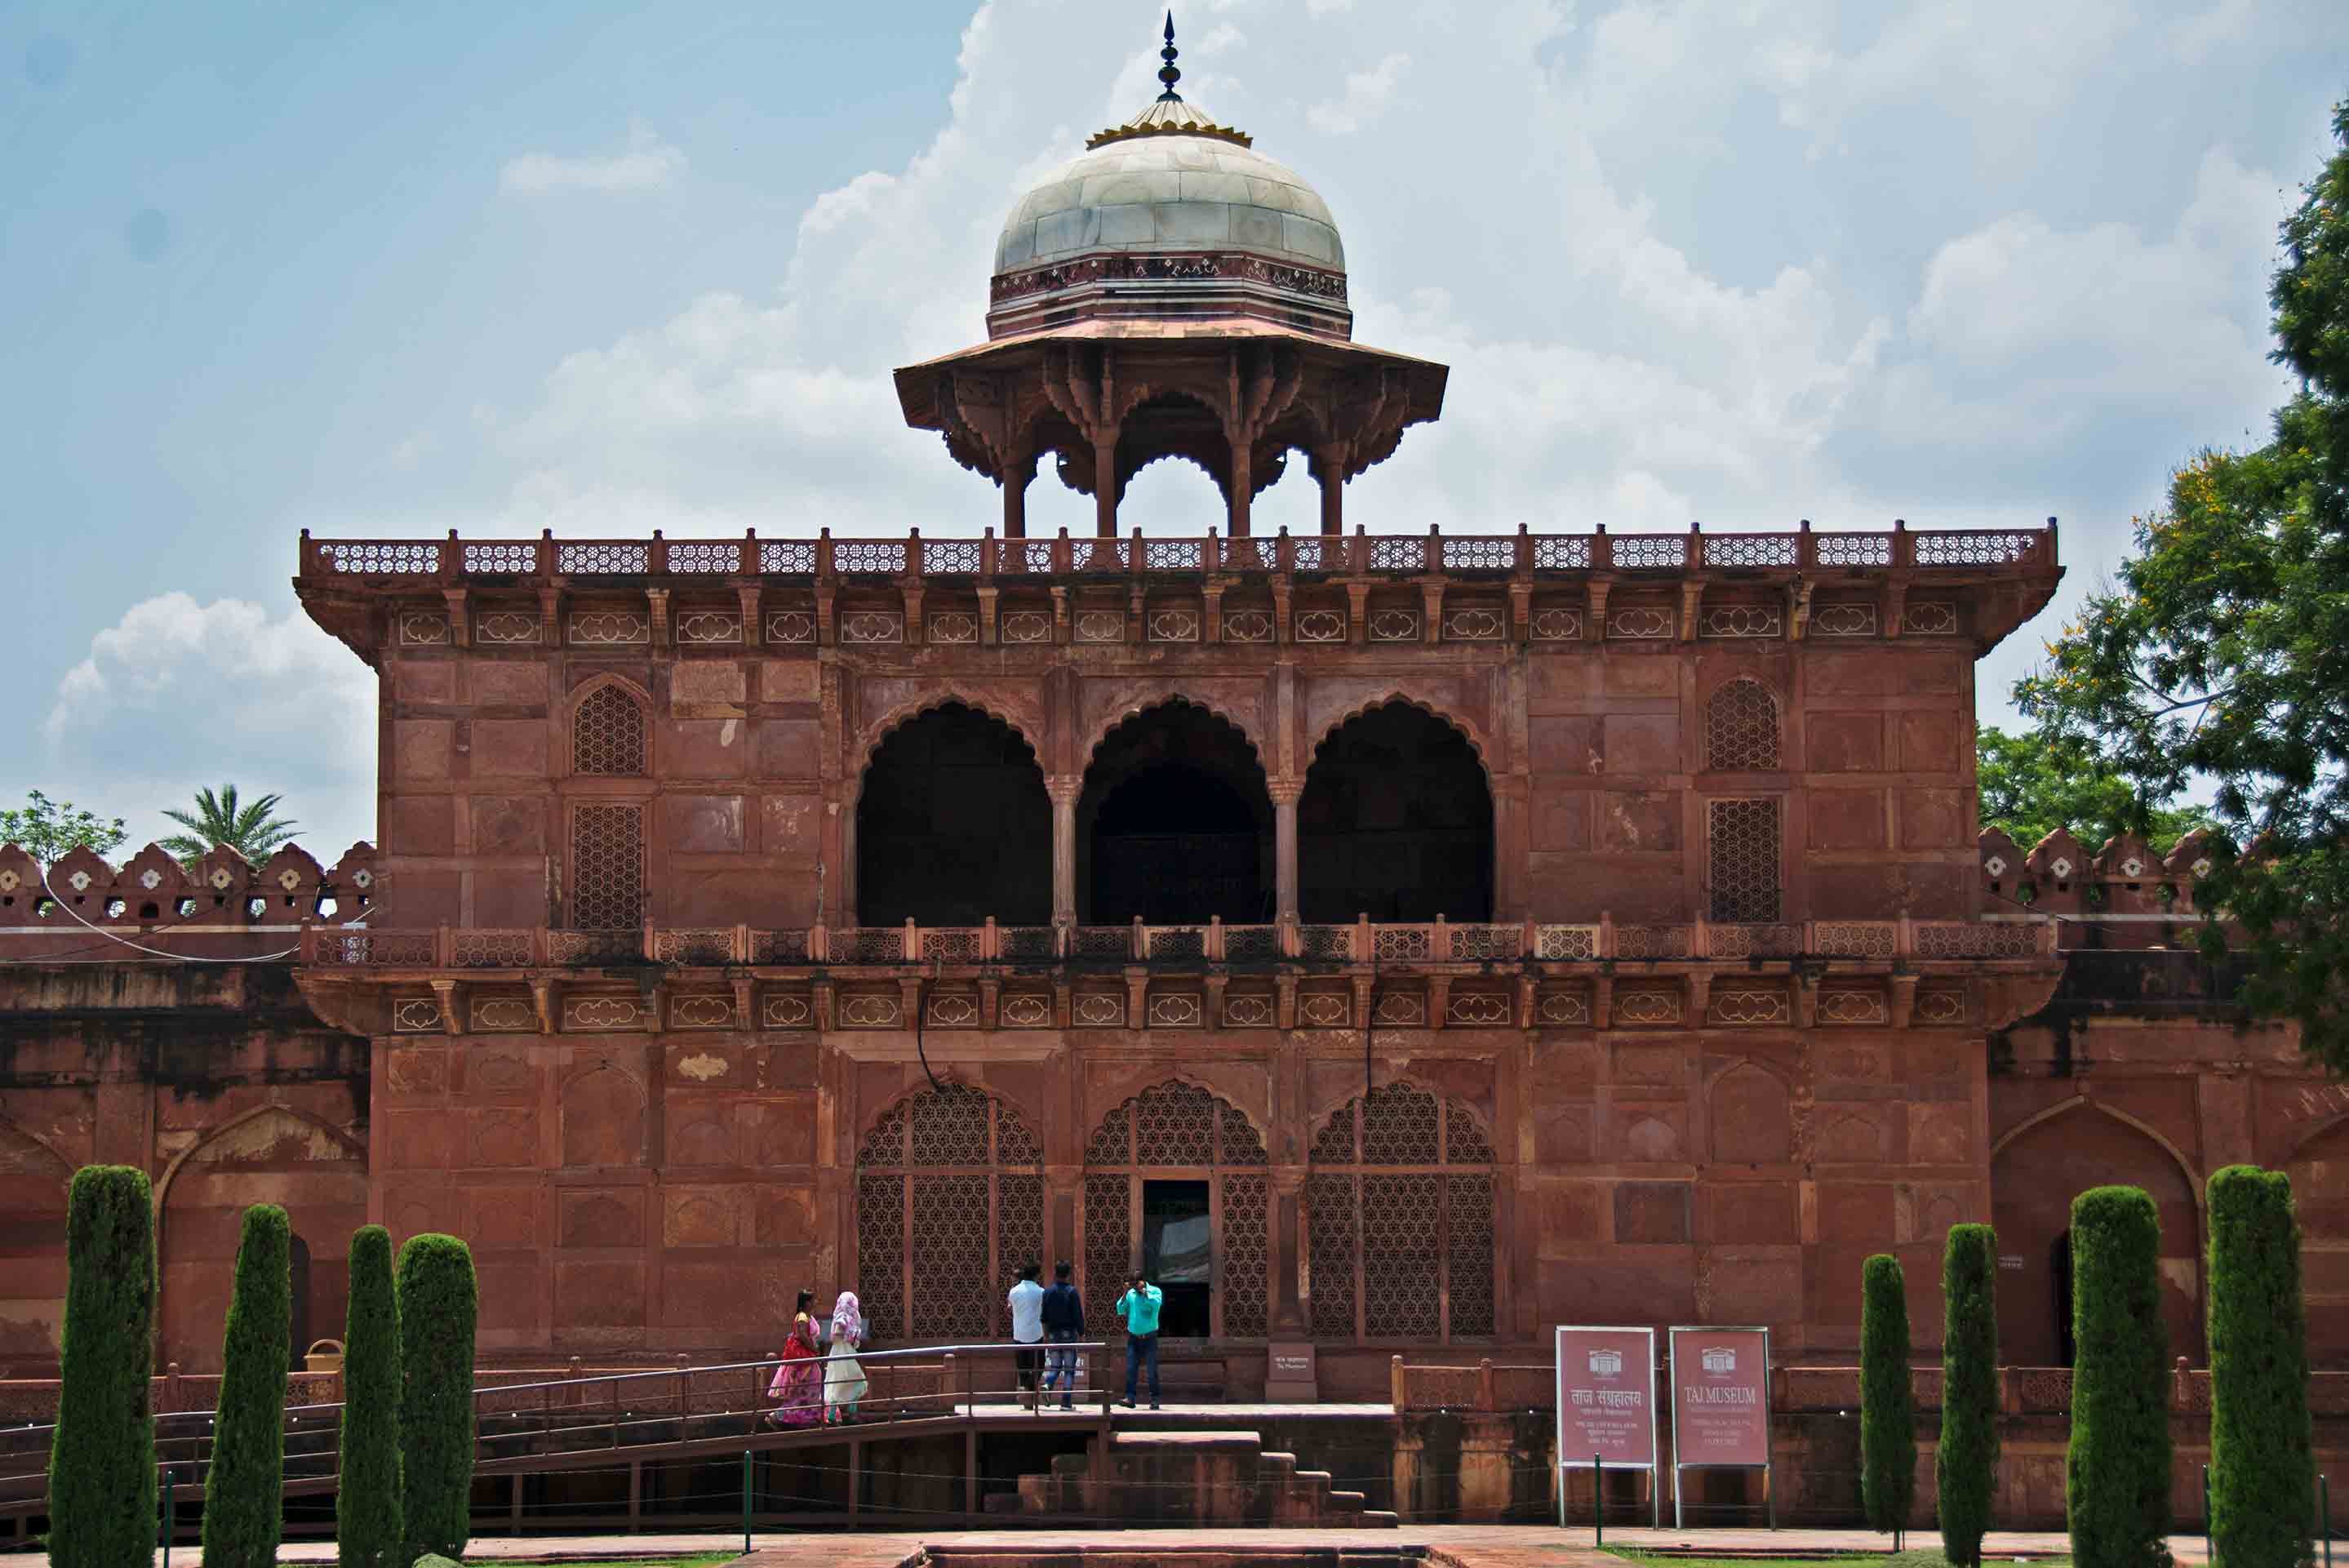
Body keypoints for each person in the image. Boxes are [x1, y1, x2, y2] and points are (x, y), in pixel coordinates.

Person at [766, 1289, 824, 1427]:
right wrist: (814, 1349)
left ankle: (804, 1418)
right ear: (807, 1303)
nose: (815, 1302)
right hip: (804, 1359)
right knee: (803, 1393)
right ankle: (777, 1416)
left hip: (809, 1359)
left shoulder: (807, 1316)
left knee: (807, 1392)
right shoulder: (802, 1317)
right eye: (813, 1300)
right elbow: (802, 1335)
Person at [1040, 1259, 1086, 1411]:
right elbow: (1078, 1314)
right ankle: (1066, 1402)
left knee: (1055, 1366)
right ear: (1068, 1274)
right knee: (1069, 1369)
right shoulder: (1072, 1292)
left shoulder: (1047, 1292)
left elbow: (1044, 1317)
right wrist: (1081, 1332)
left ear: (1055, 1273)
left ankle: (1048, 1384)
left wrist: (1046, 1335)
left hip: (1053, 1334)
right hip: (1068, 1334)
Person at [1114, 1272, 1163, 1410]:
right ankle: (1130, 1398)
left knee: (1151, 1369)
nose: (1134, 1288)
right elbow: (1120, 1310)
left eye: (1136, 1284)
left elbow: (1156, 1305)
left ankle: (1154, 1399)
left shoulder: (1155, 1291)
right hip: (1133, 1338)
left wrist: (1145, 1292)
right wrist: (1124, 1293)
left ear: (1142, 1282)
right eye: (1132, 1285)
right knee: (1130, 1369)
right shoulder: (1131, 1294)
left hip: (1149, 1338)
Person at [824, 1289, 868, 1424]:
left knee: (843, 1381)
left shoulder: (848, 1318)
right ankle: (850, 1411)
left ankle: (839, 1413)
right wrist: (849, 1336)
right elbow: (835, 1336)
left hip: (844, 1351)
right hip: (842, 1352)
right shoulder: (842, 1317)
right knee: (856, 1380)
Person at [1007, 1259, 1046, 1410]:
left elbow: (1009, 1308)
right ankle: (1030, 1389)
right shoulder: (1041, 1292)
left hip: (1019, 1334)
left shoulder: (1014, 1291)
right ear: (1037, 1276)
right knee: (1039, 1366)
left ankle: (1027, 1398)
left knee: (1022, 1368)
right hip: (1036, 1334)